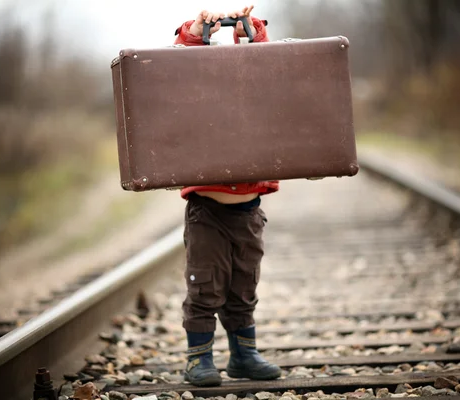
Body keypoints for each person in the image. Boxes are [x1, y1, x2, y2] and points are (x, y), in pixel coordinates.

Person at [173, 5, 282, 387]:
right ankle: (199, 359)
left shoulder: (257, 95)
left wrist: (250, 29)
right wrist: (198, 29)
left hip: (248, 214)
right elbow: (181, 58)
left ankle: (243, 355)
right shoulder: (199, 96)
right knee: (205, 287)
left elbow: (266, 58)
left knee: (243, 287)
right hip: (208, 212)